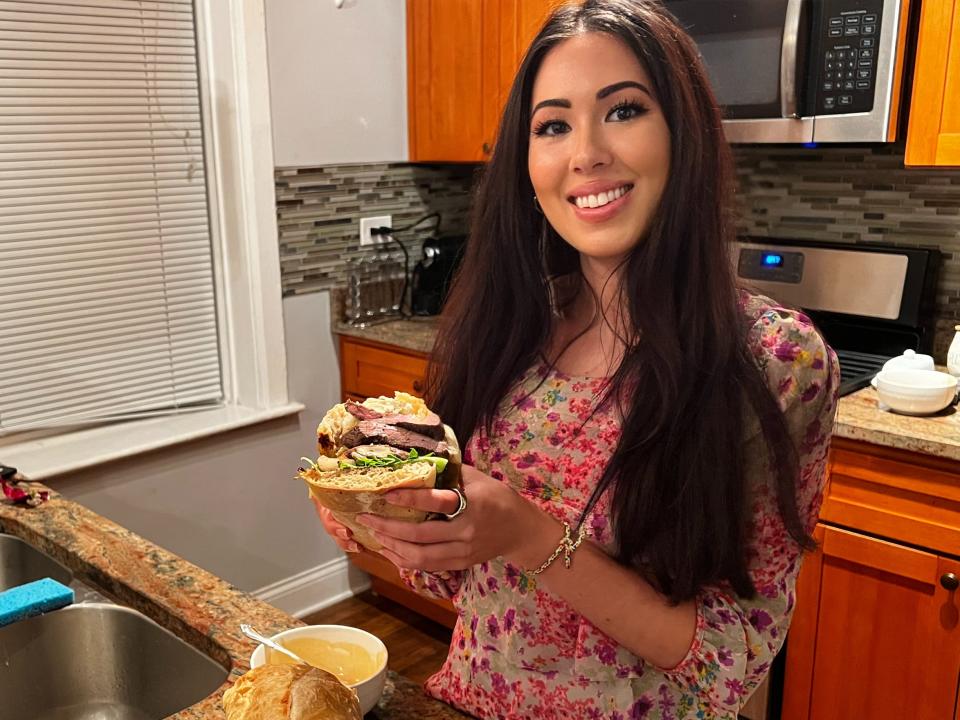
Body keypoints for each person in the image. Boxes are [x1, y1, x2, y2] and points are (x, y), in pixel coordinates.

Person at [316, 1, 840, 717]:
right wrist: (389, 525)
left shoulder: (776, 361)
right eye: (553, 125)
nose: (585, 152)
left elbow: (733, 657)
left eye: (623, 111)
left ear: (683, 134)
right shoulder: (507, 331)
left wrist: (528, 533)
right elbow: (467, 587)